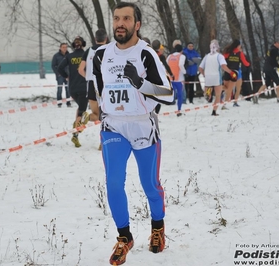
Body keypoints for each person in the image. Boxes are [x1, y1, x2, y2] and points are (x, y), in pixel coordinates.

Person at [92, 2, 174, 264]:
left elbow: (168, 94)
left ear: (137, 25)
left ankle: (158, 229)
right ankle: (124, 237)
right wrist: (91, 112)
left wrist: (139, 83)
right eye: (116, 18)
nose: (120, 23)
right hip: (114, 125)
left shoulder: (146, 54)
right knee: (114, 183)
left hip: (142, 126)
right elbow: (99, 90)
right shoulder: (100, 55)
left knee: (150, 184)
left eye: (126, 18)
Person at [78, 29, 108, 150]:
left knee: (96, 114)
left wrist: (89, 78)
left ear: (95, 39)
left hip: (91, 84)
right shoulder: (109, 50)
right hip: (106, 85)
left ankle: (87, 116)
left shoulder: (88, 51)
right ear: (105, 39)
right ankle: (102, 143)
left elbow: (80, 69)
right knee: (107, 116)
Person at [58, 36, 88, 148]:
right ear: (83, 44)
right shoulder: (87, 55)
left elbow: (60, 68)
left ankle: (76, 124)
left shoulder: (69, 56)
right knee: (82, 111)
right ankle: (75, 133)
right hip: (84, 87)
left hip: (73, 88)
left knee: (80, 108)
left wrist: (67, 77)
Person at [199, 40, 236, 116]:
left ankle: (208, 93)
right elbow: (223, 66)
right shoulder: (220, 56)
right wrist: (231, 72)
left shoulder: (206, 56)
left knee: (208, 90)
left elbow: (200, 68)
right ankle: (214, 111)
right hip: (216, 77)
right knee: (218, 95)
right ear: (217, 48)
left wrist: (204, 74)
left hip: (208, 77)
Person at [255, 38, 279, 103]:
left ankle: (256, 96)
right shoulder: (274, 50)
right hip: (271, 69)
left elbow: (275, 56)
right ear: (276, 43)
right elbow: (274, 62)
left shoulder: (271, 49)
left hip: (266, 68)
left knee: (267, 83)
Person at [222, 40, 250, 109]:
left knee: (226, 87)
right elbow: (246, 63)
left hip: (227, 71)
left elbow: (222, 60)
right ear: (238, 46)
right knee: (231, 89)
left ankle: (216, 88)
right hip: (235, 73)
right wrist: (249, 64)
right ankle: (225, 105)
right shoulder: (240, 53)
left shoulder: (228, 52)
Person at [151, 40, 172, 114]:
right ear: (159, 46)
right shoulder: (161, 56)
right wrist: (171, 74)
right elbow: (166, 66)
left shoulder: (149, 54)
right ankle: (156, 113)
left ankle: (152, 112)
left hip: (149, 77)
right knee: (157, 97)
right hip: (158, 77)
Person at [167, 43, 186, 116]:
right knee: (180, 95)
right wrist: (185, 72)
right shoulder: (182, 56)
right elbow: (181, 65)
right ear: (181, 50)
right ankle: (179, 109)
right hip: (179, 79)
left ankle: (170, 104)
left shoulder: (169, 56)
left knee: (172, 94)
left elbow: (166, 65)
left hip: (171, 78)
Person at [51, 43, 71, 107]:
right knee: (59, 89)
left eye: (66, 47)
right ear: (60, 48)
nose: (64, 48)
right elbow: (53, 66)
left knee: (68, 89)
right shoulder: (56, 56)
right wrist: (58, 73)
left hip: (68, 75)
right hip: (60, 76)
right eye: (63, 47)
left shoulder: (69, 55)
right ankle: (59, 103)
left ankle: (68, 102)